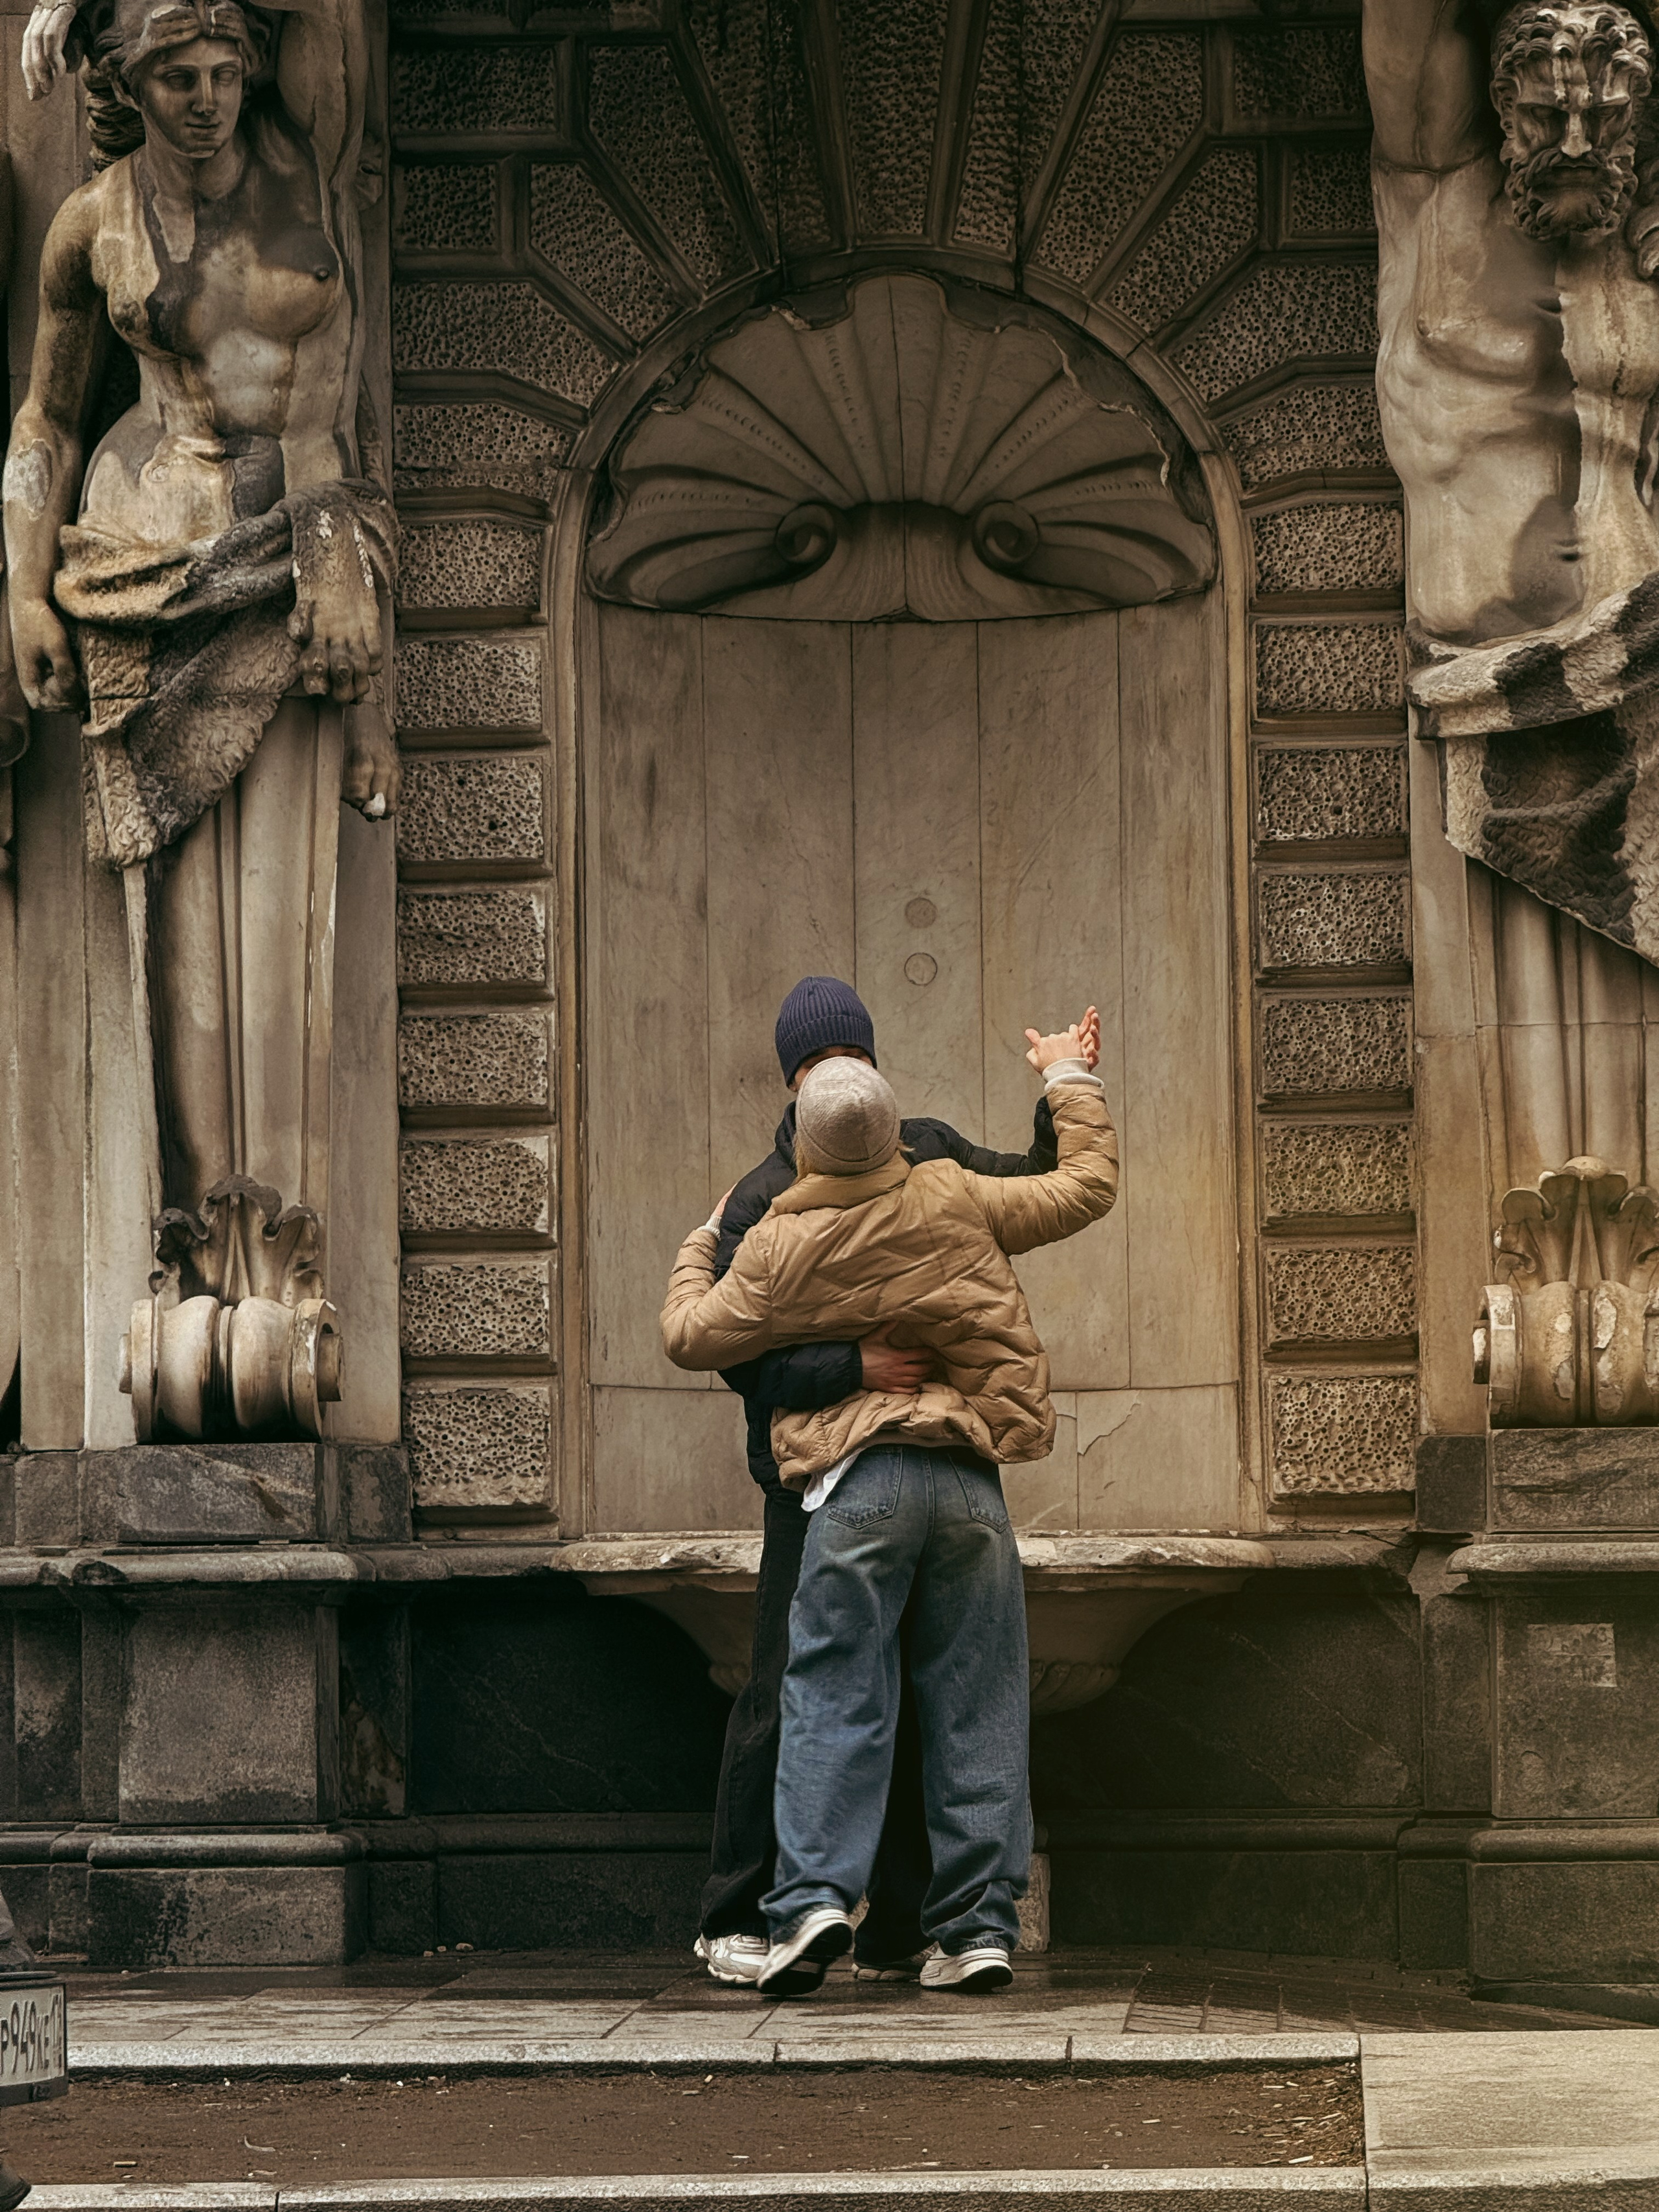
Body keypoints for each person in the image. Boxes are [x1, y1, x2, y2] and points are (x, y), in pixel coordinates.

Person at [662, 1016, 1118, 1996]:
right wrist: (1069, 1073)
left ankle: (812, 1901)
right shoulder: (947, 1186)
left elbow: (690, 1335)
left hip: (855, 1481)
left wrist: (702, 1241)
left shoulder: (774, 1234)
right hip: (966, 1474)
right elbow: (1082, 1186)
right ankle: (977, 1925)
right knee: (981, 1703)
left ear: (803, 1134)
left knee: (831, 1696)